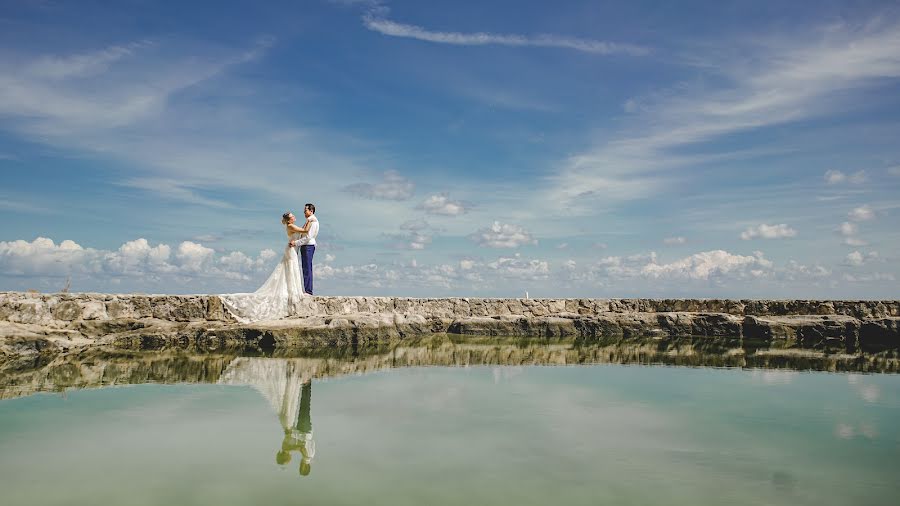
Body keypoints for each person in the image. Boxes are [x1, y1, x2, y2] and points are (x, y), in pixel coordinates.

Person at [218, 212, 308, 322]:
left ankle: (292, 292)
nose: (294, 216)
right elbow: (305, 231)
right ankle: (293, 292)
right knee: (291, 270)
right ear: (289, 220)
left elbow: (301, 230)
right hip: (291, 250)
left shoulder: (292, 226)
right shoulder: (291, 226)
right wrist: (311, 221)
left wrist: (307, 222)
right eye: (292, 216)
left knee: (289, 270)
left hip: (292, 249)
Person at [287, 203, 319, 295]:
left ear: (311, 211)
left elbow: (308, 237)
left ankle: (308, 291)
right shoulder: (309, 220)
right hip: (305, 246)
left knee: (307, 268)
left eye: (305, 210)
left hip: (308, 246)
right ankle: (307, 289)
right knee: (305, 268)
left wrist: (296, 243)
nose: (304, 212)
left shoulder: (313, 221)